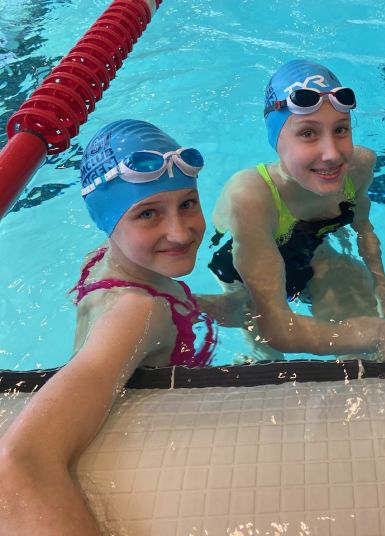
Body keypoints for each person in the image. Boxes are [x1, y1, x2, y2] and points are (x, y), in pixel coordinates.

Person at [0, 119, 246, 535]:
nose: (180, 231)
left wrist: (231, 306)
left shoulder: (104, 260)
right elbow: (19, 465)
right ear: (109, 219)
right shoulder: (137, 313)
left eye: (187, 203)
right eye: (148, 213)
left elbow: (173, 306)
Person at [209, 59, 385, 375]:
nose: (333, 154)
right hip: (243, 276)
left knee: (367, 335)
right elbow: (277, 328)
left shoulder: (359, 165)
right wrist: (380, 330)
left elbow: (363, 228)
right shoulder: (251, 196)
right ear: (277, 140)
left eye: (340, 129)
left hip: (314, 252)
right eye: (308, 133)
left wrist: (383, 307)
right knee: (266, 350)